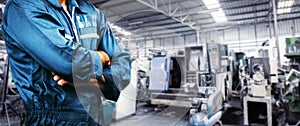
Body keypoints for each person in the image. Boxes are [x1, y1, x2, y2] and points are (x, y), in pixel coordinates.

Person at [1, 0, 131, 125]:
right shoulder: (22, 6)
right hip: (50, 120)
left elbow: (123, 66)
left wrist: (95, 82)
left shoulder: (90, 12)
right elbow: (68, 63)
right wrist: (102, 57)